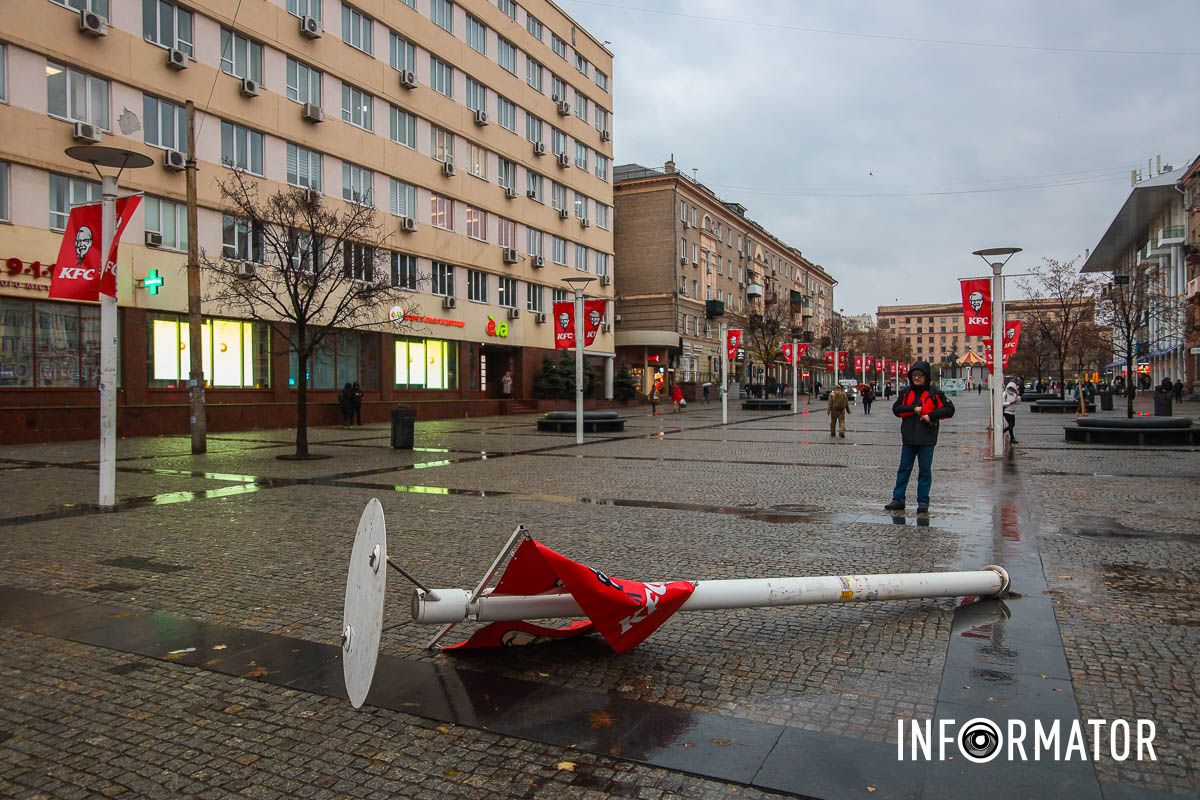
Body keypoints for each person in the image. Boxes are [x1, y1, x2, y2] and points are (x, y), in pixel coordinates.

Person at [884, 361, 955, 514]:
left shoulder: (934, 392)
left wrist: (931, 416)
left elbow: (950, 409)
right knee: (903, 469)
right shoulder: (905, 392)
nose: (917, 378)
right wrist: (913, 409)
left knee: (924, 471)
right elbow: (896, 409)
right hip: (908, 439)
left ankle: (923, 502)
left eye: (920, 375)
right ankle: (898, 499)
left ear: (926, 377)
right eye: (914, 375)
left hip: (927, 439)